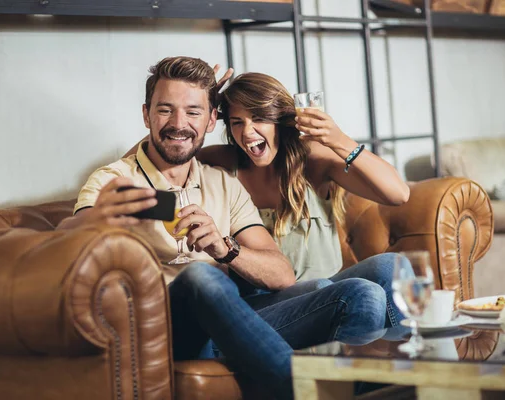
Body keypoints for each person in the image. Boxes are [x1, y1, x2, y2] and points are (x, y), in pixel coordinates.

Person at [58, 56, 388, 399]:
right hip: (162, 325)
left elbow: (282, 274)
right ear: (146, 115)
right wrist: (94, 221)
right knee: (201, 276)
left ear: (212, 119)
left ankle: (376, 384)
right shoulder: (115, 179)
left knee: (363, 295)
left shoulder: (222, 182)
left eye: (193, 112)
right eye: (165, 110)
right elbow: (65, 237)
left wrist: (224, 248)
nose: (178, 123)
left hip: (228, 326)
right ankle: (304, 391)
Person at [197, 72, 412, 327]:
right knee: (331, 290)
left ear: (280, 120)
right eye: (237, 122)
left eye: (259, 118)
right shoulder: (223, 161)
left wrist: (339, 141)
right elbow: (159, 158)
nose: (247, 132)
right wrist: (200, 107)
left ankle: (414, 353)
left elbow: (398, 194)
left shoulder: (312, 160)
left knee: (390, 267)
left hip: (333, 293)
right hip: (264, 302)